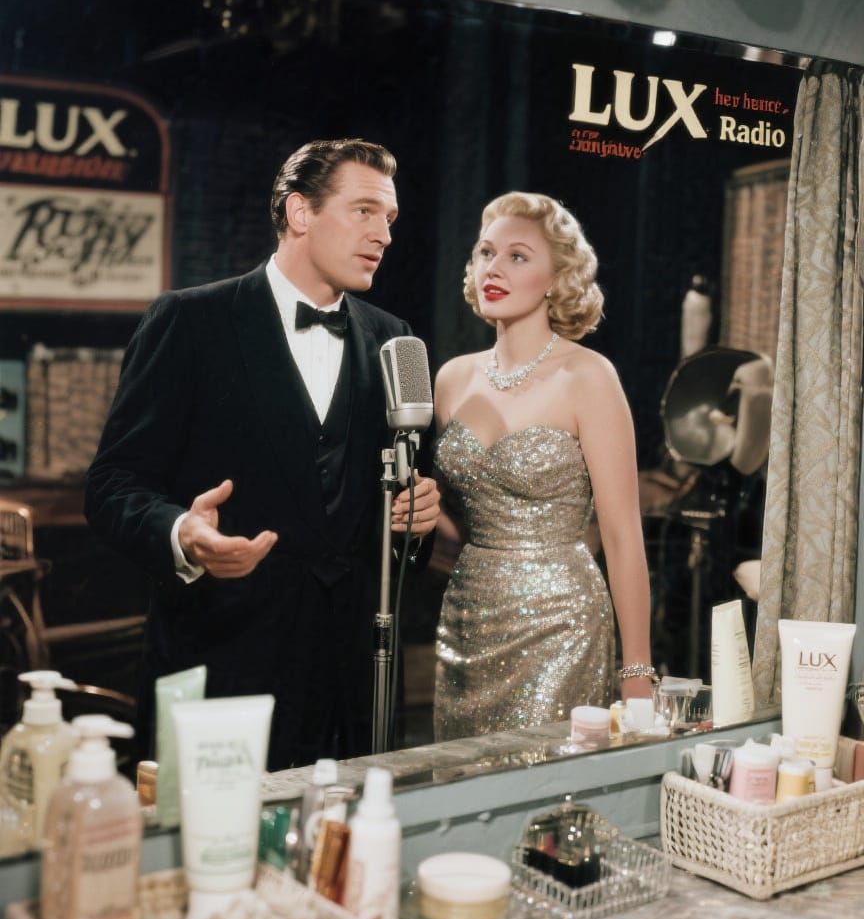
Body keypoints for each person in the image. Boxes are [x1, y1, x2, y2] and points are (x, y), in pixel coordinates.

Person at [85, 138, 440, 769]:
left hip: (352, 683)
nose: (383, 235)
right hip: (223, 662)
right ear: (301, 213)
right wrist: (182, 532)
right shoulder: (189, 321)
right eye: (364, 211)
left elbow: (398, 512)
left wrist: (418, 517)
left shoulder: (394, 340)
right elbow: (113, 483)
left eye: (389, 219)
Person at [432, 191, 653, 741]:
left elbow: (622, 534)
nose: (494, 268)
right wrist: (418, 515)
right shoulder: (451, 380)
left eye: (517, 256)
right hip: (467, 622)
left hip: (562, 624)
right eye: (486, 253)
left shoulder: (588, 377)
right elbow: (459, 527)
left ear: (557, 278)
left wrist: (637, 674)